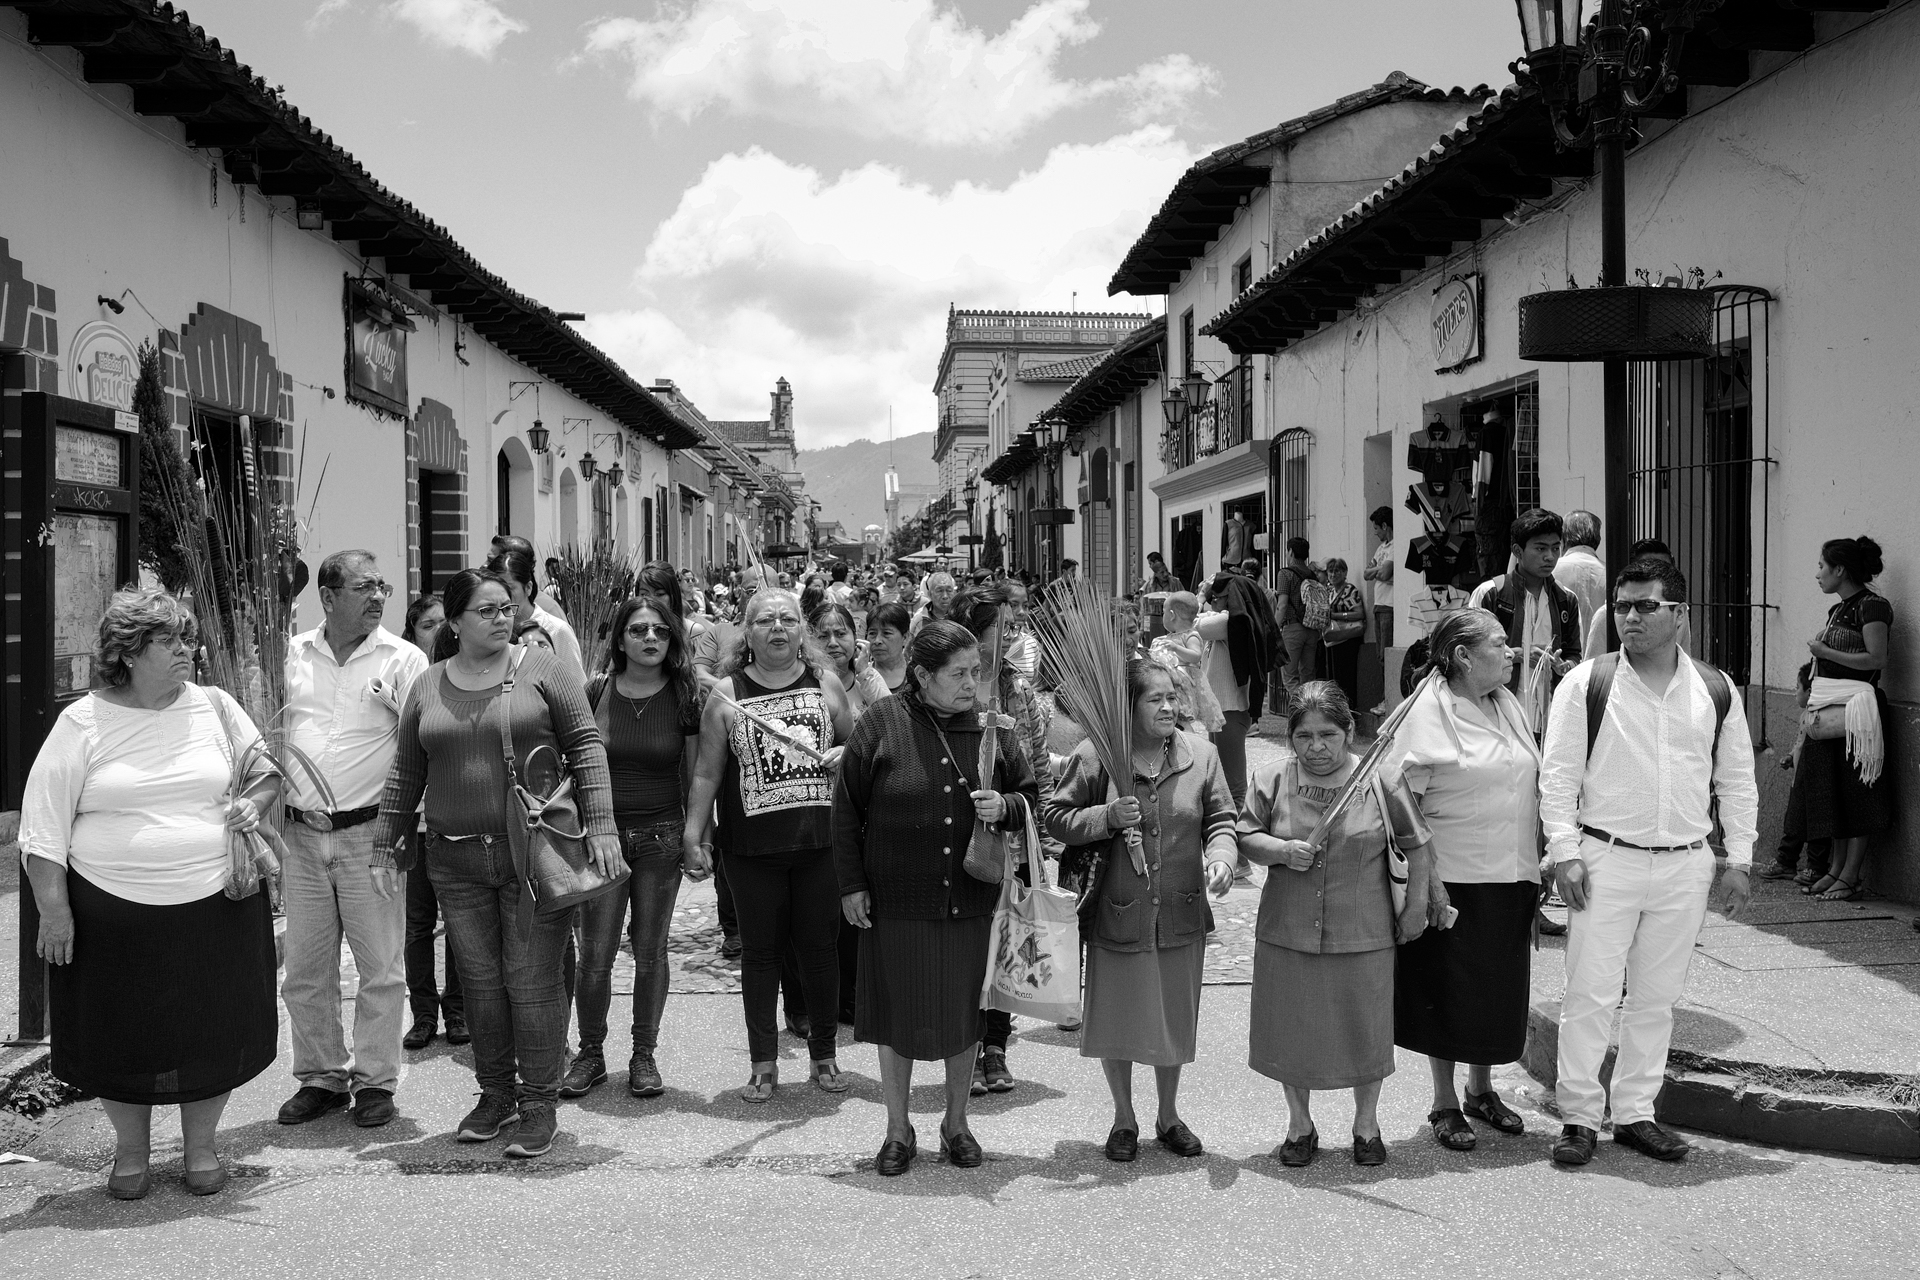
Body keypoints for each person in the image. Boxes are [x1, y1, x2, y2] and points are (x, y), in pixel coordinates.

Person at [18, 587, 281, 1198]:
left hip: (218, 903)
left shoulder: (215, 706)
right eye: (171, 641)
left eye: (188, 639)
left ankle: (202, 1149)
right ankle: (130, 1154)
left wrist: (252, 801)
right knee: (120, 1034)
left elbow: (265, 767)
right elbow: (42, 826)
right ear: (131, 652)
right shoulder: (82, 722)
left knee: (212, 1030)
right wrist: (53, 912)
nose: (187, 650)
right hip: (112, 911)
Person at [373, 568, 622, 1159]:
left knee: (531, 982)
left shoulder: (542, 670)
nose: (500, 617)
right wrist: (387, 843)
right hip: (453, 861)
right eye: (485, 610)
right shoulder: (428, 685)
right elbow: (408, 771)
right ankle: (495, 1095)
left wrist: (603, 826)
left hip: (530, 855)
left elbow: (586, 746)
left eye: (506, 608)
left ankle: (538, 1103)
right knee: (482, 986)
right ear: (454, 621)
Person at [1539, 558, 1756, 1166]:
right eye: (1623, 606)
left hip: (1686, 863)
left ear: (1680, 615)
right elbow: (1557, 779)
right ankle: (1579, 1117)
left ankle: (1635, 1113)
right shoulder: (1587, 683)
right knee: (1590, 993)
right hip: (1606, 858)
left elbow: (1737, 777)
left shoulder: (1715, 688)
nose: (1629, 617)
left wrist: (1738, 856)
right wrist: (1565, 854)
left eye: (1645, 606)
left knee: (1656, 998)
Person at [833, 621, 1038, 1175]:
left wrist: (1007, 808)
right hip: (894, 899)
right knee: (896, 1015)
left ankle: (956, 1123)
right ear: (922, 675)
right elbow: (846, 808)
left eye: (977, 671)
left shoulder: (994, 727)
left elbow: (1031, 795)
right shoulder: (880, 723)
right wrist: (851, 884)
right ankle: (898, 1128)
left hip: (969, 901)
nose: (972, 683)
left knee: (962, 1016)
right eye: (959, 673)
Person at [1046, 660, 1238, 1162]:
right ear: (1127, 707)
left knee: (1174, 1018)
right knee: (1117, 1019)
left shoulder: (1202, 756)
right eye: (1155, 699)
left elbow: (1221, 817)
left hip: (1181, 912)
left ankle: (1168, 1116)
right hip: (1117, 912)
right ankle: (1124, 1117)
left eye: (1173, 696)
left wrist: (1221, 856)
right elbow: (1056, 817)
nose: (1170, 706)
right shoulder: (1097, 757)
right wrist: (1105, 816)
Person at [1237, 682, 1433, 1168]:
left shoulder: (1381, 779)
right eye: (1304, 736)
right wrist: (1281, 851)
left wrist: (1416, 908)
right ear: (1290, 739)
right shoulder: (1271, 779)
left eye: (1328, 734)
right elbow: (1245, 835)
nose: (1316, 747)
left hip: (1364, 932)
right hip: (1288, 930)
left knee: (1365, 1031)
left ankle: (1366, 1124)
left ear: (1349, 732)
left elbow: (1418, 845)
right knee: (1293, 1030)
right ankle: (1299, 1124)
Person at [683, 587, 854, 1102]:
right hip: (750, 849)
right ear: (747, 633)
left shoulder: (825, 683)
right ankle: (763, 1062)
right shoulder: (727, 694)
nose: (777, 629)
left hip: (820, 843)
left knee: (820, 952)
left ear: (802, 631)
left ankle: (824, 1054)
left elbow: (860, 746)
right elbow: (708, 772)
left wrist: (845, 752)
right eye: (765, 621)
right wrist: (694, 834)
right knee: (760, 955)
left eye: (787, 619)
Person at [277, 551, 427, 1132]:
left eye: (382, 586)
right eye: (364, 587)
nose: (378, 598)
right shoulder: (288, 656)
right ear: (328, 595)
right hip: (300, 834)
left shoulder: (403, 659)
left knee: (381, 969)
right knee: (305, 970)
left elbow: (419, 744)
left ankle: (374, 1081)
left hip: (373, 834)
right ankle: (320, 1077)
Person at [1382, 610, 1541, 1151]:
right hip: (1455, 877)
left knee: (1495, 988)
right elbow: (1402, 800)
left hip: (1511, 872)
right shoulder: (1428, 712)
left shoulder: (1505, 704)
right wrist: (1425, 878)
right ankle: (1444, 1101)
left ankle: (1481, 1090)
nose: (1512, 652)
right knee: (1446, 990)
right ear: (1464, 657)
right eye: (1500, 643)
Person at [562, 594, 710, 1100]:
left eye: (660, 632)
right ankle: (591, 1054)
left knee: (650, 951)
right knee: (596, 955)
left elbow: (696, 775)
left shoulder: (686, 692)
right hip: (601, 842)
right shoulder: (595, 690)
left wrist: (696, 837)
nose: (650, 639)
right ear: (620, 639)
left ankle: (643, 1053)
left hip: (660, 840)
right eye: (639, 630)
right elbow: (575, 766)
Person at [948, 583, 1057, 1094]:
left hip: (1013, 838)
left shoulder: (1021, 692)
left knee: (1008, 943)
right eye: (1000, 630)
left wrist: (1040, 828)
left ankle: (996, 1048)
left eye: (1011, 629)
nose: (1009, 639)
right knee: (968, 949)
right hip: (960, 841)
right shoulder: (949, 693)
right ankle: (965, 1048)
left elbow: (1036, 766)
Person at [1798, 536, 1893, 902]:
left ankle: (1850, 875)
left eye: (1822, 566)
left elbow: (1877, 659)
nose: (1817, 575)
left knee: (1858, 794)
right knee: (1833, 793)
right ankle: (1835, 870)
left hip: (1858, 711)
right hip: (1832, 708)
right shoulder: (1838, 609)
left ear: (1840, 570)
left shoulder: (1873, 606)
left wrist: (1825, 650)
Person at [399, 594, 465, 1051]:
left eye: (444, 622)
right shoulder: (408, 678)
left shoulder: (467, 679)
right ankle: (423, 1014)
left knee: (461, 924)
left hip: (456, 822)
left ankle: (458, 1010)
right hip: (416, 826)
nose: (437, 630)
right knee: (417, 925)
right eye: (428, 623)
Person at [1467, 508, 1583, 738]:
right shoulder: (1491, 594)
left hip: (1550, 717)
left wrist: (1564, 667)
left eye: (1555, 548)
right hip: (1499, 715)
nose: (1550, 556)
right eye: (1540, 548)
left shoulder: (1565, 599)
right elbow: (1470, 653)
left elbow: (1574, 654)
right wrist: (1519, 654)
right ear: (1518, 551)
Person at [486, 546, 585, 684]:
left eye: (509, 588)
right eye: (496, 588)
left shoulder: (557, 631)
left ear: (528, 588)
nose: (502, 596)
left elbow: (578, 687)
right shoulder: (491, 628)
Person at [1150, 592, 1225, 734]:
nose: (1163, 617)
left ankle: (1188, 736)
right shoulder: (1169, 637)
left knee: (1183, 715)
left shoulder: (1191, 635)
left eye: (1163, 613)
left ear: (1172, 615)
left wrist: (1176, 648)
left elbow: (1196, 656)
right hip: (1172, 682)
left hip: (1185, 683)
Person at [813, 600, 889, 720]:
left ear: (855, 637)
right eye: (823, 636)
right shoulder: (806, 683)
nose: (833, 643)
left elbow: (893, 717)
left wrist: (864, 675)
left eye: (841, 634)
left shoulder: (868, 677)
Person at [1275, 538, 1320, 705]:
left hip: (1293, 628)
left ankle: (1303, 708)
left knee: (1289, 676)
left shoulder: (1285, 574)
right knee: (1308, 676)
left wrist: (1273, 629)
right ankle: (1312, 709)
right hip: (1312, 629)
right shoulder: (1312, 575)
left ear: (1291, 552)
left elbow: (1282, 605)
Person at [1320, 558, 1366, 711]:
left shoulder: (1350, 591)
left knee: (1346, 678)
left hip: (1347, 639)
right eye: (1330, 571)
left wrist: (1337, 616)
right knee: (1334, 679)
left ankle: (1348, 711)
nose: (1333, 574)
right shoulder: (1329, 591)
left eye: (1337, 571)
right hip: (1333, 640)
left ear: (1345, 573)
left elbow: (1359, 614)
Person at [1554, 510, 1608, 640]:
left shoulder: (1550, 570)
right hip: (1601, 654)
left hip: (1559, 654)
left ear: (1563, 538)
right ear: (1598, 539)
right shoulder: (1610, 572)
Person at [866, 601, 913, 694]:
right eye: (872, 633)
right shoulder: (861, 677)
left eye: (886, 633)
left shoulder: (918, 675)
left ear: (905, 637)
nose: (877, 641)